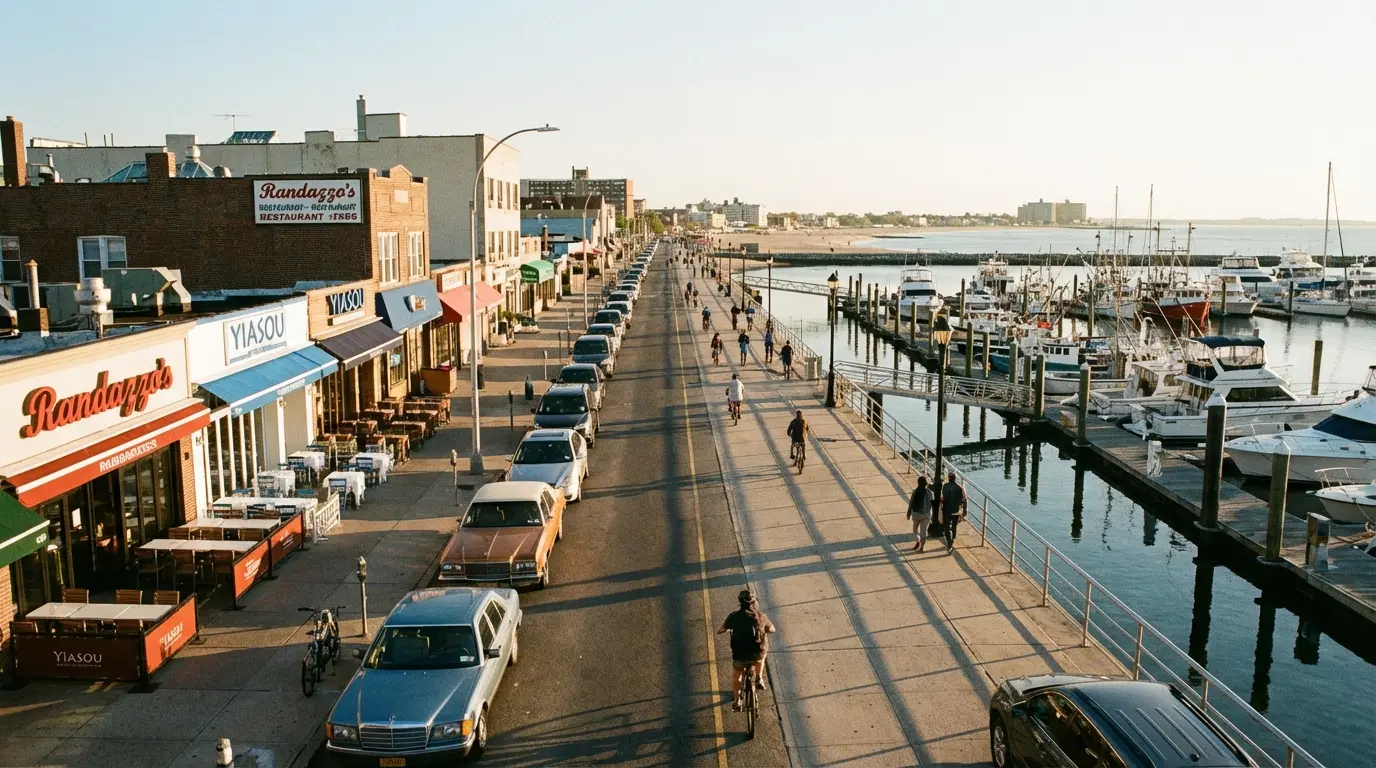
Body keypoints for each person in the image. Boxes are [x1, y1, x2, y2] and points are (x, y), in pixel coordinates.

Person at [716, 589, 776, 711]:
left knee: (736, 675)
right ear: (754, 602)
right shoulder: (761, 616)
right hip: (757, 653)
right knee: (762, 655)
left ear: (740, 602)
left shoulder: (733, 616)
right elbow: (772, 629)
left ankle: (737, 700)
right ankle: (759, 677)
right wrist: (766, 630)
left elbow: (720, 630)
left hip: (740, 655)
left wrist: (728, 629)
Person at [939, 471, 967, 553]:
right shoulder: (960, 487)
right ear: (955, 478)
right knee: (954, 526)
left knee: (946, 527)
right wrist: (965, 510)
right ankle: (953, 538)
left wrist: (941, 501)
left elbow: (944, 498)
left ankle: (949, 541)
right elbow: (965, 499)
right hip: (956, 510)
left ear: (948, 478)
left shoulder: (945, 486)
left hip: (947, 509)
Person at [906, 476, 935, 552]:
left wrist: (908, 513)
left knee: (915, 530)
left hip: (916, 513)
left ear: (918, 483)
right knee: (924, 531)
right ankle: (922, 547)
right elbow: (932, 503)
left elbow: (911, 502)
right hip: (926, 513)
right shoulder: (929, 492)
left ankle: (918, 540)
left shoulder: (915, 491)